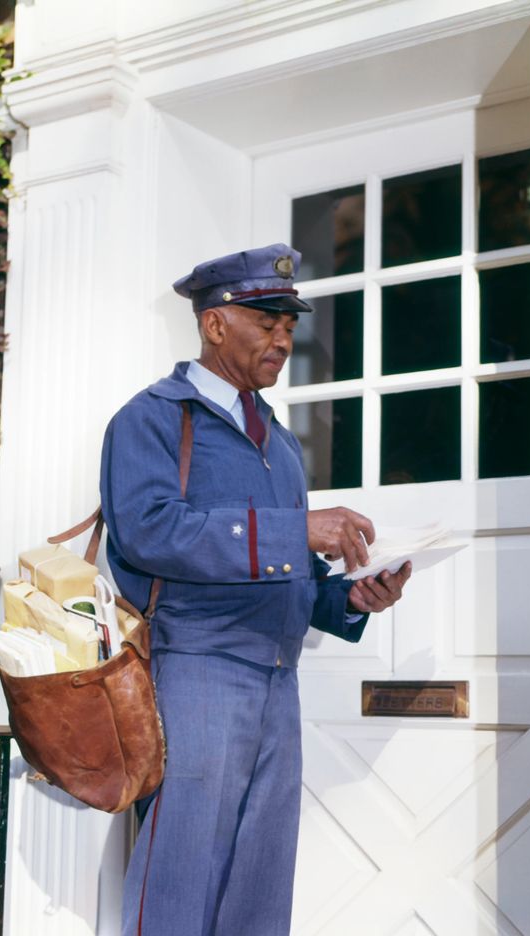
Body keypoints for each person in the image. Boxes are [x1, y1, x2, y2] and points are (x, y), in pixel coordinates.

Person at [100, 243, 411, 936]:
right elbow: (149, 532)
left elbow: (286, 565)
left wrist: (349, 598)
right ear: (215, 325)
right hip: (195, 671)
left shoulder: (277, 437)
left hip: (278, 678)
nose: (283, 338)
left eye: (289, 324)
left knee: (260, 882)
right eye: (266, 320)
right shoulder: (151, 419)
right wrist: (297, 530)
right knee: (181, 872)